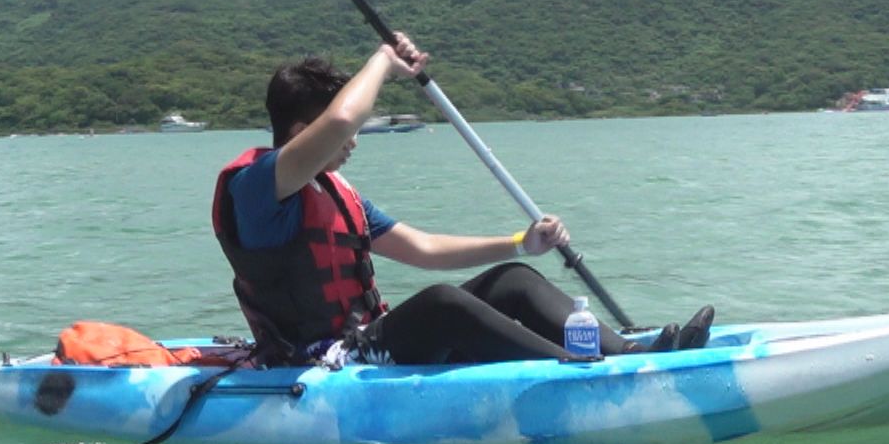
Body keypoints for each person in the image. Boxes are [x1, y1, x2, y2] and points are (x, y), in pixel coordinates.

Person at [212, 33, 713, 366]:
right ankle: (581, 372)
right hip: (318, 358)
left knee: (513, 280)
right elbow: (341, 120)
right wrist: (384, 60)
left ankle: (628, 354)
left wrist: (522, 242)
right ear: (304, 132)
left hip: (369, 342)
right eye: (346, 134)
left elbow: (424, 249)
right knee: (442, 304)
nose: (353, 141)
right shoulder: (258, 189)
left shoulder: (339, 195)